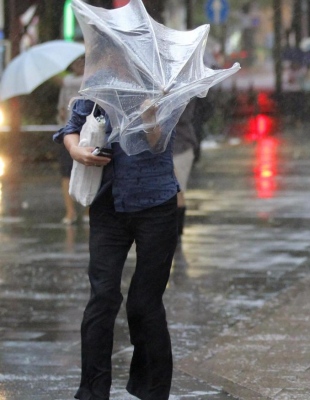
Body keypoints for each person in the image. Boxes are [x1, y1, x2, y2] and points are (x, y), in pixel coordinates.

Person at [53, 97, 179, 399]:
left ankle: (152, 391)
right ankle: (92, 392)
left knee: (144, 303)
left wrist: (150, 117)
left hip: (156, 204)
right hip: (107, 203)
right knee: (102, 296)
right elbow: (71, 128)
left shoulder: (163, 84)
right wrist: (76, 150)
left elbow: (158, 144)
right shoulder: (100, 82)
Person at [56, 55, 86, 224]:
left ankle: (89, 210)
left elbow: (64, 83)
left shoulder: (89, 79)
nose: (78, 65)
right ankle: (70, 211)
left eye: (81, 61)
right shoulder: (67, 82)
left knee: (91, 171)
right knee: (66, 173)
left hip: (88, 134)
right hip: (69, 133)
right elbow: (61, 107)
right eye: (75, 62)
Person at [172, 98, 199, 270]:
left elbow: (181, 116)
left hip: (180, 147)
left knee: (177, 191)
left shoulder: (184, 92)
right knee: (174, 191)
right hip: (168, 147)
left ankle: (176, 234)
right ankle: (174, 233)